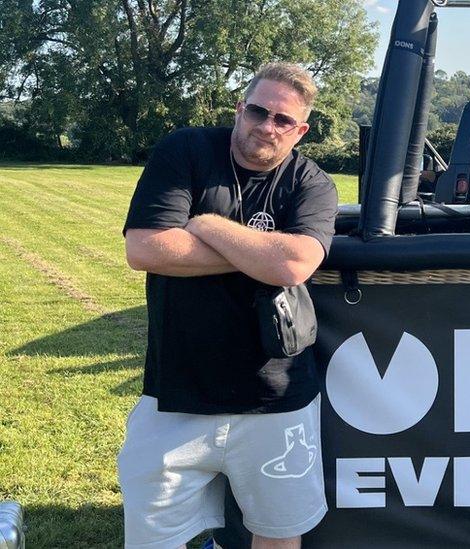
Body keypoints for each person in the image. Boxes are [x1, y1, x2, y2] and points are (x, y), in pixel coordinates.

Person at [119, 62, 338, 549]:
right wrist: (261, 253)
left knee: (277, 537)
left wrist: (206, 225)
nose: (267, 125)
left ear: (300, 131)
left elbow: (295, 264)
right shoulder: (187, 150)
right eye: (258, 110)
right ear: (240, 108)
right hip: (176, 394)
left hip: (277, 397)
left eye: (283, 120)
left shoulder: (312, 182)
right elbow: (146, 250)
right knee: (154, 539)